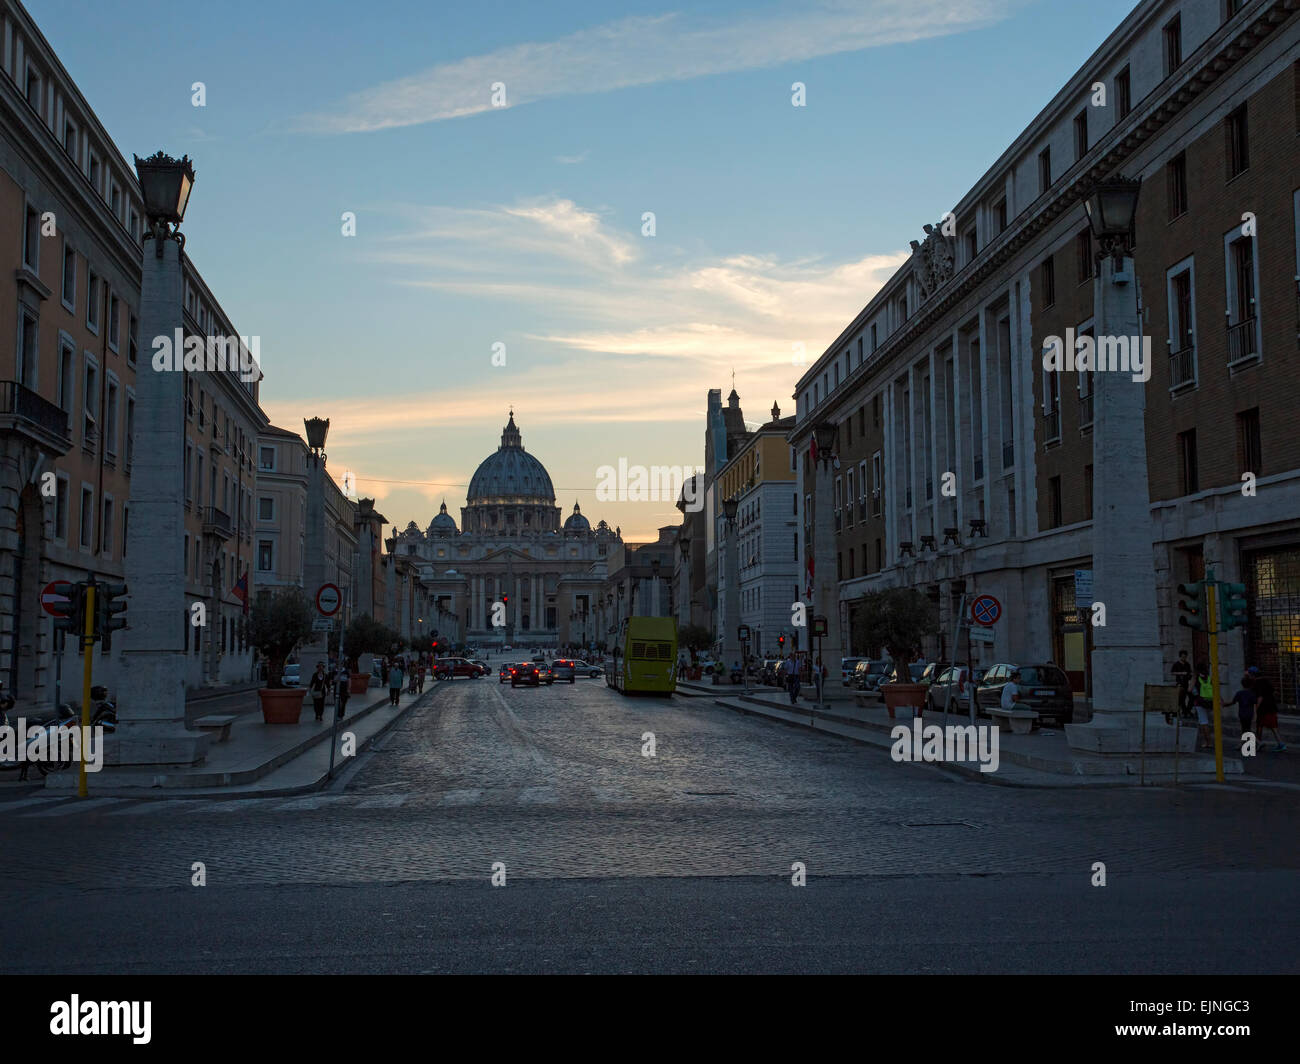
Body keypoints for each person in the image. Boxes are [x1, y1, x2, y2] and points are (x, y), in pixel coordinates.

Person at [1248, 667, 1285, 751]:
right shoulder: (1266, 680)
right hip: (1271, 706)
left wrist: (1256, 709)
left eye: (1249, 674)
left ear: (1253, 675)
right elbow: (1274, 692)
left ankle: (1278, 744)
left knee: (1263, 726)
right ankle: (1278, 743)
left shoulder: (1257, 683)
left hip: (1264, 708)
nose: (1249, 676)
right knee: (1269, 726)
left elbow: (1260, 697)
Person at [1229, 675, 1258, 750]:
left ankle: (1251, 743)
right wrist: (1255, 715)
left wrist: (1224, 704)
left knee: (1245, 729)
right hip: (1249, 714)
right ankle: (1250, 743)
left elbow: (1233, 702)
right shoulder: (1252, 693)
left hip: (1242, 713)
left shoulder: (1239, 693)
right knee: (1247, 729)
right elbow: (1254, 705)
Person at [1193, 663, 1214, 751]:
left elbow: (1190, 689)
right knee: (1206, 721)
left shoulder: (1195, 678)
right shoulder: (1209, 677)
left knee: (1203, 722)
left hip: (1199, 702)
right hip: (1209, 701)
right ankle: (1208, 741)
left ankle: (1208, 742)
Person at [1171, 650, 1193, 720]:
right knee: (1182, 699)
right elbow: (1172, 673)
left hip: (1187, 683)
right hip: (1180, 684)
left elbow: (1189, 673)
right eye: (1183, 657)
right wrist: (1181, 673)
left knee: (1191, 698)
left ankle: (1187, 711)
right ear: (1180, 656)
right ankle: (1185, 712)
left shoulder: (1187, 664)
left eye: (1185, 657)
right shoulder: (1176, 664)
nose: (1184, 658)